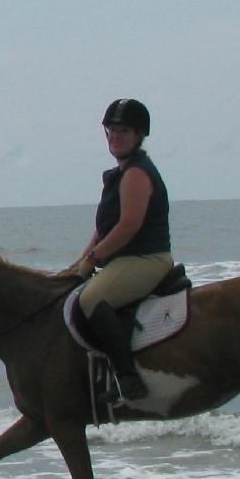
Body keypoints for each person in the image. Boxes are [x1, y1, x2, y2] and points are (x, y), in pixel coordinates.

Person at [70, 98, 173, 401]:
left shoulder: (137, 174)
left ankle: (127, 378)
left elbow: (128, 226)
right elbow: (103, 229)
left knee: (90, 299)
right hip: (125, 260)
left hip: (147, 258)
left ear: (139, 135)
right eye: (111, 130)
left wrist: (93, 260)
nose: (115, 136)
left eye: (124, 131)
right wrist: (77, 265)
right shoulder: (118, 175)